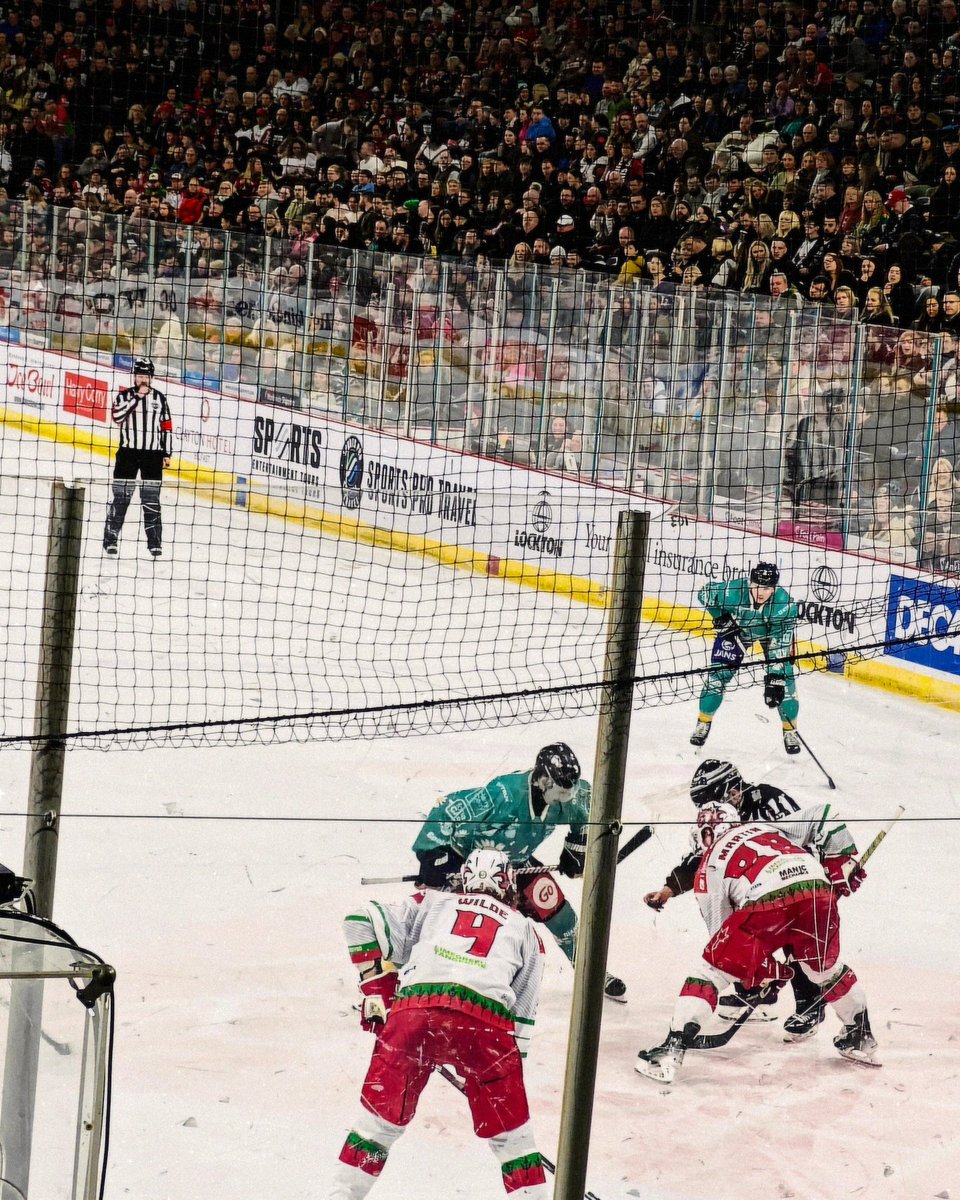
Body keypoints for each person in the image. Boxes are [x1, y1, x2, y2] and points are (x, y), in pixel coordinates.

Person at [330, 848, 548, 1200]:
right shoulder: (527, 931)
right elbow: (521, 1022)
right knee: (515, 1144)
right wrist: (491, 1079)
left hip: (415, 1013)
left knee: (375, 1130)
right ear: (508, 885)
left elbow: (357, 920)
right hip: (484, 1026)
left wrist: (378, 991)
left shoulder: (432, 902)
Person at [635, 805, 878, 1084]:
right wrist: (840, 863)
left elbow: (724, 942)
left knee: (711, 971)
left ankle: (670, 1050)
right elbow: (824, 815)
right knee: (822, 969)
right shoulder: (765, 827)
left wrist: (761, 971)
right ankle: (860, 1035)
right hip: (817, 889)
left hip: (766, 899)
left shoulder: (708, 866)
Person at [643, 758, 865, 1041]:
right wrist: (668, 889)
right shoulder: (722, 818)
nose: (706, 808)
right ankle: (753, 990)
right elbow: (702, 859)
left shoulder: (769, 801)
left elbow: (798, 840)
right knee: (747, 932)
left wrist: (835, 868)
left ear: (731, 790)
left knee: (797, 943)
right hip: (759, 886)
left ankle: (809, 1006)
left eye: (710, 799)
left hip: (794, 876)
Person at [411, 743, 627, 1001]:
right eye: (561, 791)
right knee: (448, 922)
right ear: (543, 780)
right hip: (469, 866)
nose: (566, 798)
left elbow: (585, 813)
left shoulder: (573, 794)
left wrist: (575, 851)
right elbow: (447, 808)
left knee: (560, 914)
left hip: (517, 863)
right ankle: (413, 971)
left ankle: (591, 972)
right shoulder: (503, 794)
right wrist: (433, 855)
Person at [690, 562, 801, 754]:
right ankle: (703, 722)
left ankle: (790, 730)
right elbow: (703, 593)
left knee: (785, 681)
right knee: (717, 676)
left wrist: (775, 677)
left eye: (767, 588)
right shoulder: (732, 591)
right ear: (750, 583)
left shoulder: (785, 605)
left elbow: (780, 643)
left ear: (774, 588)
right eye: (757, 586)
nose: (761, 592)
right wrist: (721, 618)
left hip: (771, 636)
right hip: (738, 631)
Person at [102, 357, 173, 558]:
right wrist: (137, 398)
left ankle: (155, 543)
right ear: (134, 376)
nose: (143, 379)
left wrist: (166, 453)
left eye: (146, 376)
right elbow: (117, 417)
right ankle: (110, 540)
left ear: (151, 377)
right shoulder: (124, 396)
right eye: (140, 375)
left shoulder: (160, 399)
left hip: (153, 455)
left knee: (151, 500)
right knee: (121, 498)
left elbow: (166, 426)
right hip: (128, 454)